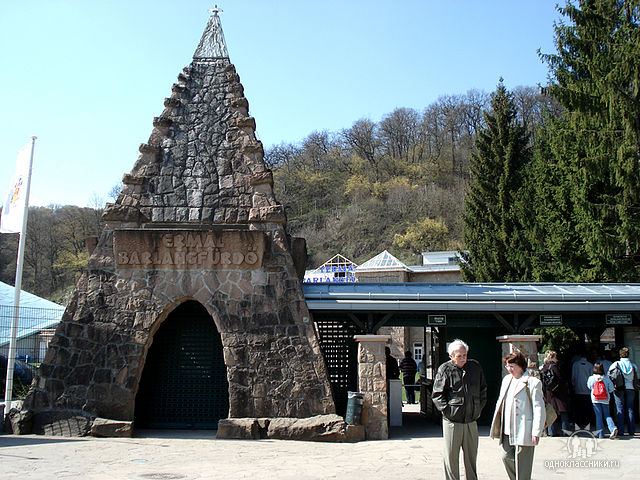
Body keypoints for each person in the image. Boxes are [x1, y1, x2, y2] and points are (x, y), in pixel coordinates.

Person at [432, 339, 487, 480]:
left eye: (465, 355)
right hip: (452, 421)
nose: (463, 358)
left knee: (471, 459)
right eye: (459, 356)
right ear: (451, 356)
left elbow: (483, 390)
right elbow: (437, 395)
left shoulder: (475, 367)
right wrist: (448, 412)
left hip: (471, 421)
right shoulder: (445, 369)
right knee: (451, 458)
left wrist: (478, 409)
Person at [490, 351, 545, 480]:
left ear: (521, 366)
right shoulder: (507, 380)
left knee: (523, 463)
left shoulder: (532, 383)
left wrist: (536, 431)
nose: (509, 369)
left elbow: (539, 408)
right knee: (506, 457)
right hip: (507, 429)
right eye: (507, 366)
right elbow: (500, 402)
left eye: (512, 366)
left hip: (524, 429)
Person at [608, 347, 639, 436]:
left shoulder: (616, 364)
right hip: (631, 388)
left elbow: (609, 375)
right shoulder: (633, 365)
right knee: (630, 409)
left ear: (620, 354)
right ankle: (631, 430)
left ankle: (621, 430)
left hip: (619, 388)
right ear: (628, 354)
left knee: (620, 409)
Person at [540, 350, 571, 436]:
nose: (557, 359)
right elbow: (561, 379)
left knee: (551, 411)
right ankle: (566, 431)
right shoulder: (555, 367)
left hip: (549, 392)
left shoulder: (544, 367)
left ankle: (551, 431)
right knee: (563, 411)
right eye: (556, 357)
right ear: (552, 357)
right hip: (559, 393)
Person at [586, 362, 618, 439]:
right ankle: (612, 428)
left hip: (595, 399)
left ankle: (600, 434)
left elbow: (589, 387)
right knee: (607, 415)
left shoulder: (591, 378)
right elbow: (611, 389)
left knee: (598, 416)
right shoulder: (606, 378)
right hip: (605, 399)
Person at [571, 350, 594, 428]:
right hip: (587, 390)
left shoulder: (575, 364)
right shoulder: (590, 365)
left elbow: (573, 376)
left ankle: (578, 421)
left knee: (578, 407)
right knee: (587, 408)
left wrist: (573, 385)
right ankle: (587, 421)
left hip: (578, 388)